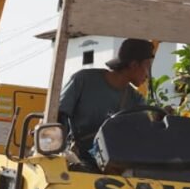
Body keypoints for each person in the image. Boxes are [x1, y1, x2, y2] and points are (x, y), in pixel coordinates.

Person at [58, 38, 155, 168]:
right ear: (134, 65)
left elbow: (142, 135)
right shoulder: (83, 80)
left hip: (116, 164)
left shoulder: (136, 100)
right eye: (147, 66)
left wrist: (158, 121)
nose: (148, 75)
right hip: (78, 159)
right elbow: (58, 115)